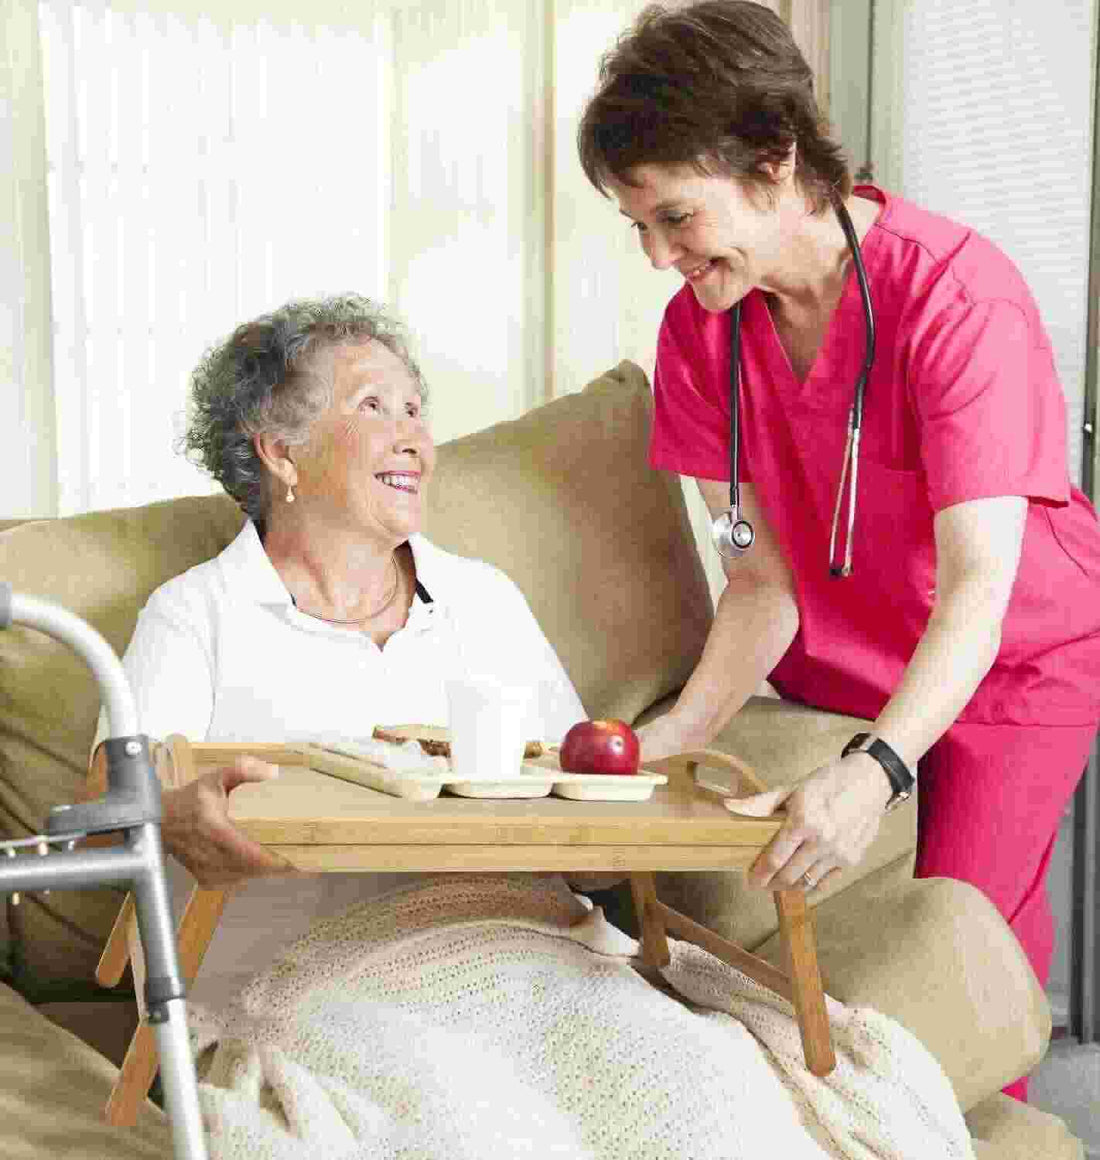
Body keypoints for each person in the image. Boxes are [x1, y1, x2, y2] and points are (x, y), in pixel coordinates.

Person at [576, 0, 1100, 1100]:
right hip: (843, 649)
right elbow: (757, 577)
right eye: (638, 229)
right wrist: (674, 731)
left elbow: (976, 589)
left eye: (675, 217)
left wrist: (876, 766)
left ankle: (982, 1128)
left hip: (1010, 656)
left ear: (773, 159)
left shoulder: (955, 302)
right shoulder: (699, 331)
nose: (660, 257)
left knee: (949, 943)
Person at [106, 293, 586, 1007]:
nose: (415, 438)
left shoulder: (485, 600)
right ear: (281, 450)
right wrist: (167, 814)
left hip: (515, 965)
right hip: (299, 994)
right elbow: (111, 795)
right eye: (374, 406)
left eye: (416, 409)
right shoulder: (196, 613)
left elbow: (586, 797)